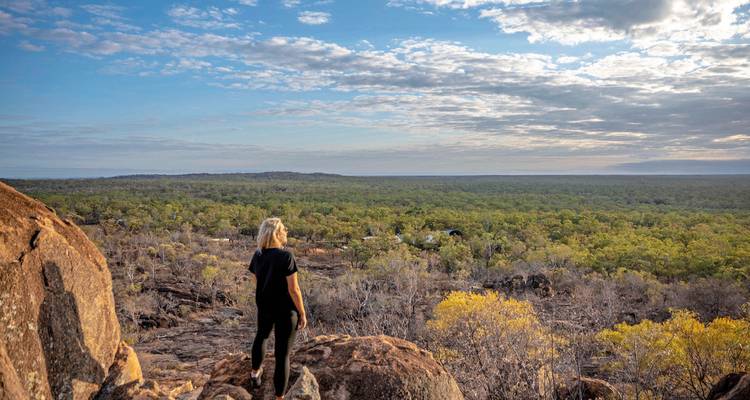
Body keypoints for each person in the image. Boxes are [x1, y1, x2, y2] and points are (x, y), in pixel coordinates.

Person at [248, 217, 307, 400]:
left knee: (262, 336)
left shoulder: (258, 255)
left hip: (265, 306)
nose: (285, 233)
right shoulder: (286, 256)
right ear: (277, 233)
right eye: (283, 230)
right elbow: (294, 289)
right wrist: (302, 312)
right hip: (286, 310)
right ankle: (279, 397)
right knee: (282, 355)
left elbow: (256, 281)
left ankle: (255, 373)